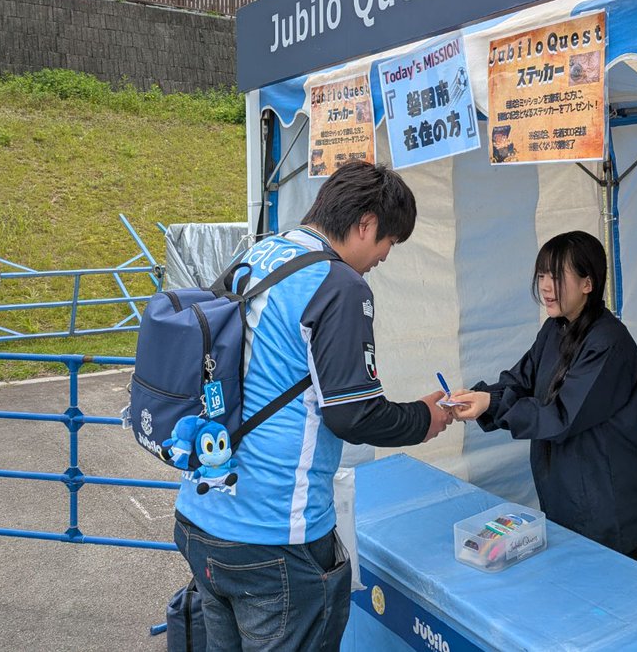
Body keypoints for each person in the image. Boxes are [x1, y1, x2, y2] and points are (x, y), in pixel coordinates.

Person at [173, 161, 452, 651]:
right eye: (389, 241)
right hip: (274, 537)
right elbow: (353, 413)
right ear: (366, 223)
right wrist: (426, 418)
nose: (385, 255)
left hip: (202, 515)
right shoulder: (339, 285)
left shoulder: (259, 255)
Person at [449, 231, 637, 560]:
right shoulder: (555, 329)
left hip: (609, 502)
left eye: (557, 276)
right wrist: (478, 398)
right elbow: (519, 381)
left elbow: (561, 416)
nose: (546, 286)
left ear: (587, 283)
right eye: (542, 275)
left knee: (608, 600)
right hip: (567, 494)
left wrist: (492, 404)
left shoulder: (608, 343)